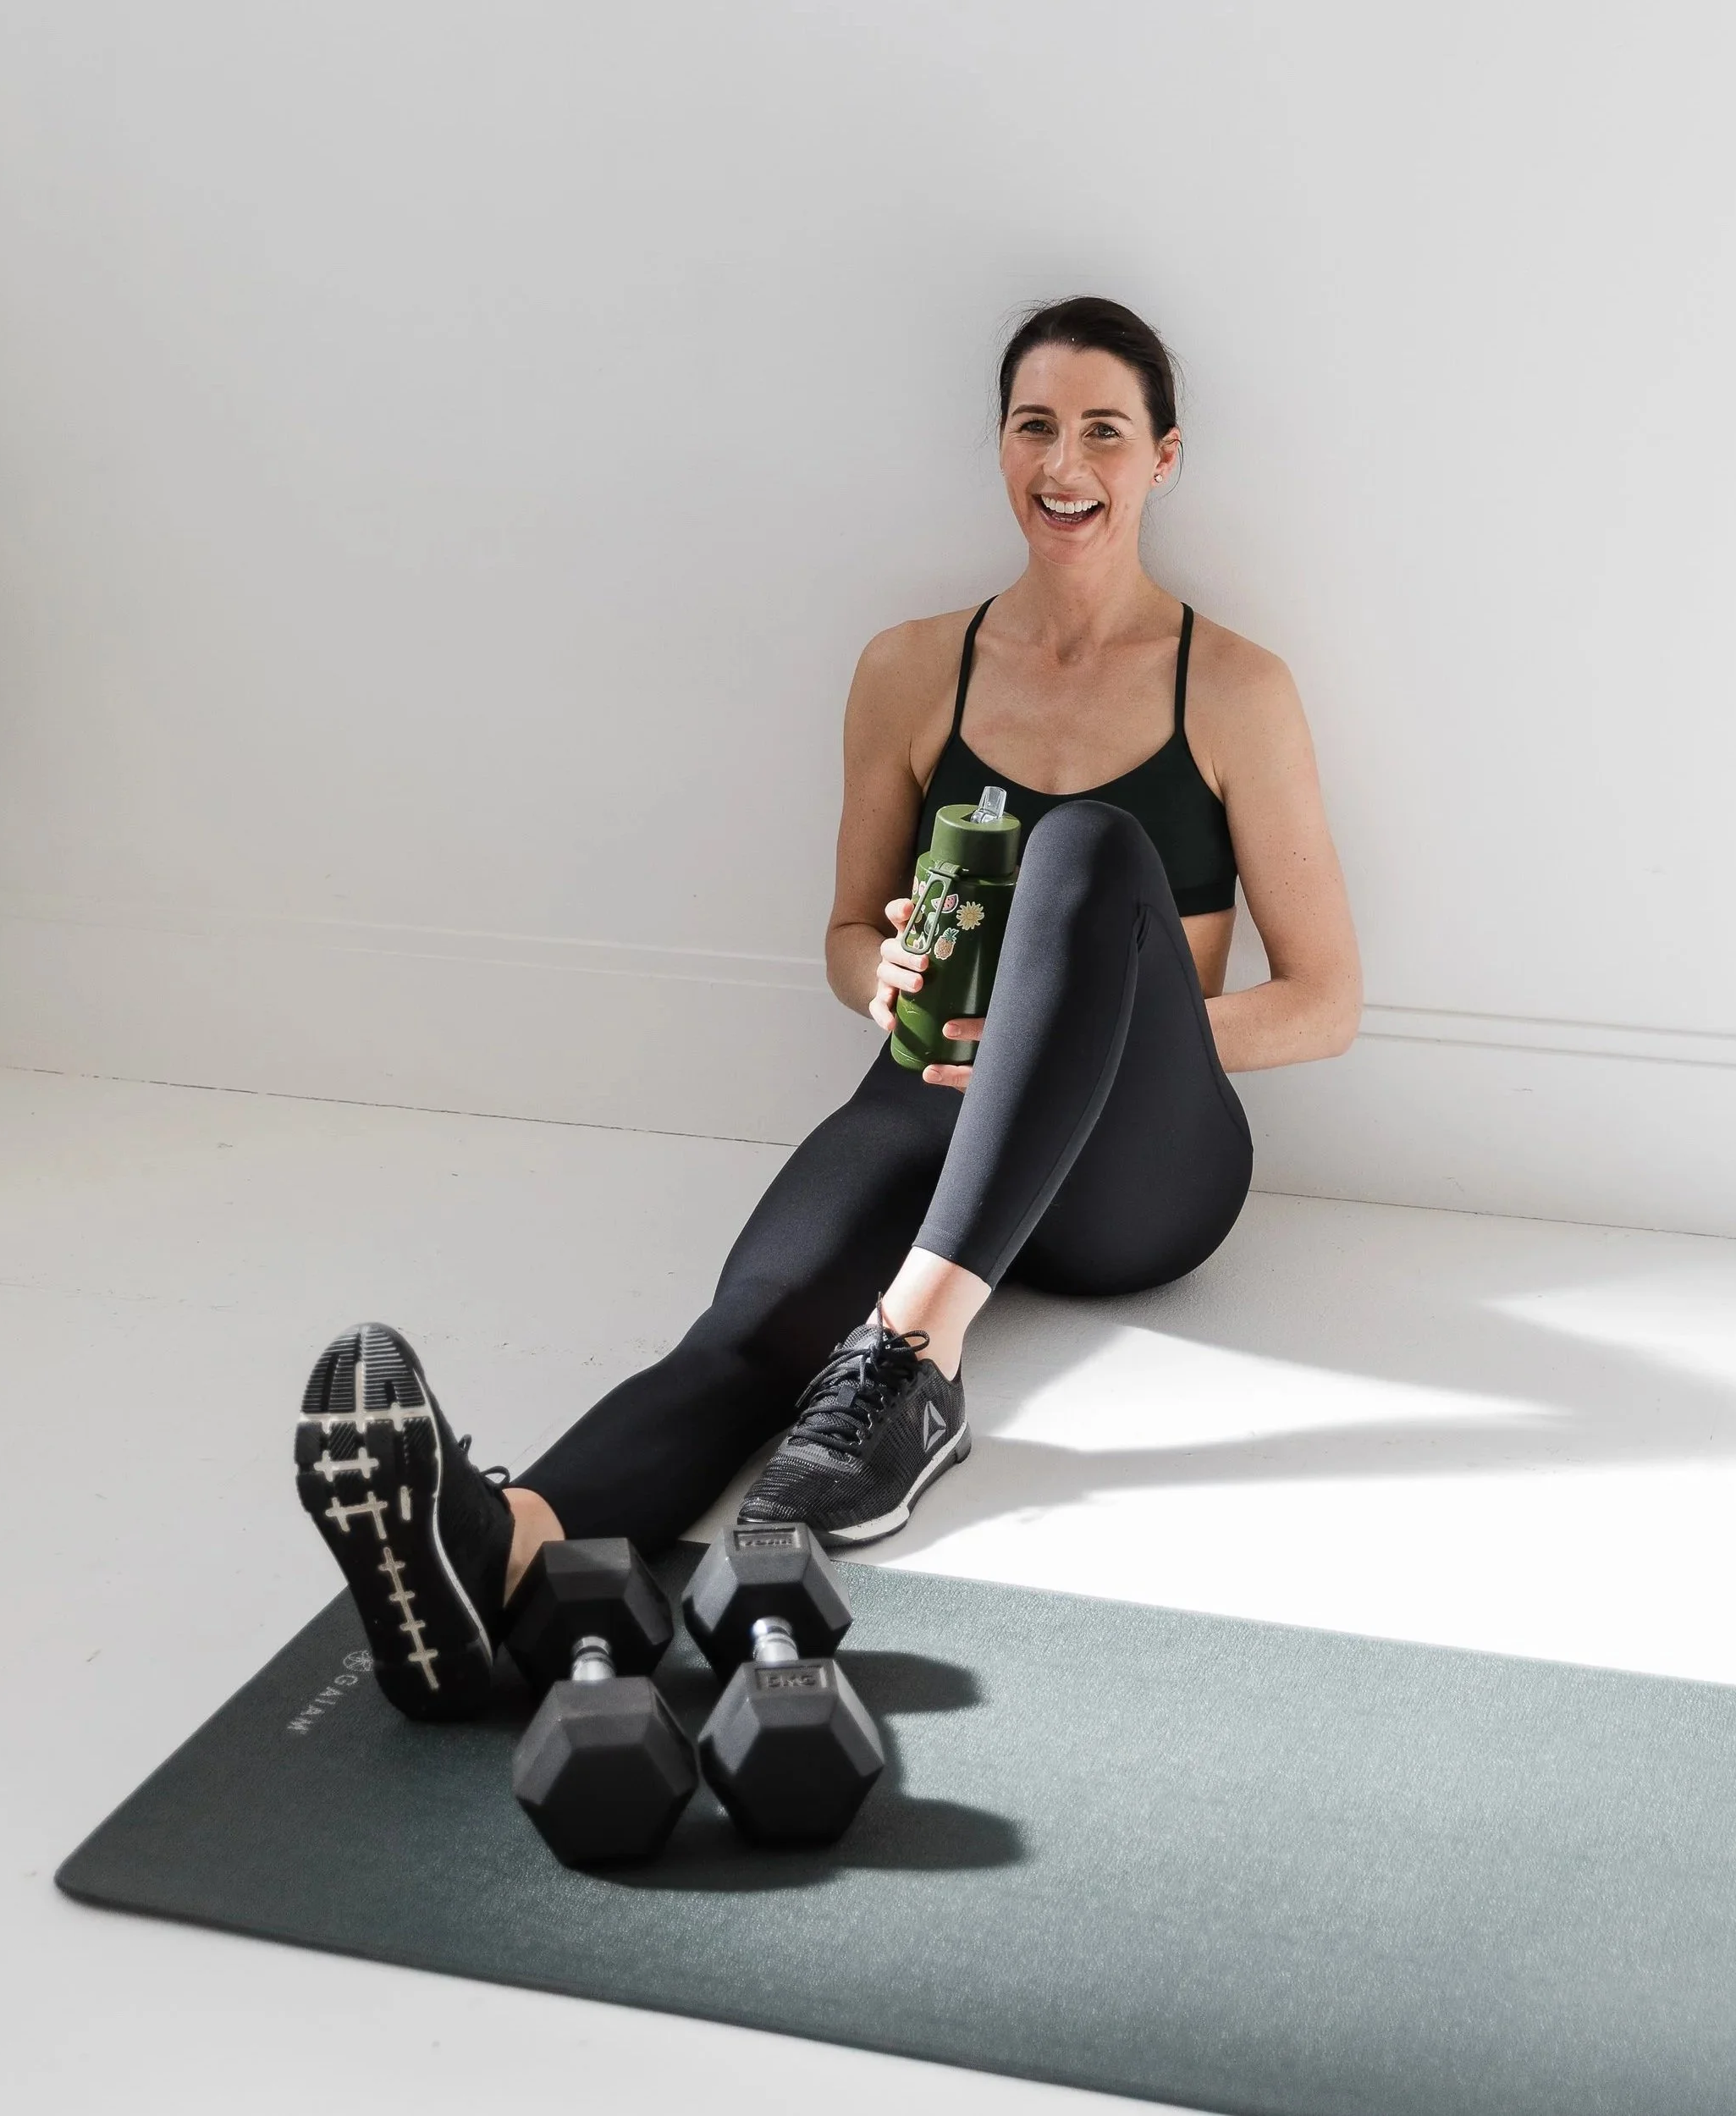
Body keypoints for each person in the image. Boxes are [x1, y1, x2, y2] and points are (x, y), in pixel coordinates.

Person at [295, 298, 1363, 1720]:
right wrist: (893, 984)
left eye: (1104, 429)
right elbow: (850, 937)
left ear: (1163, 459)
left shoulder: (1232, 688)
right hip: (927, 1104)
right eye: (1035, 424)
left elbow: (1327, 1002)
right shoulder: (912, 669)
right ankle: (499, 1553)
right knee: (745, 1335)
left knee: (1089, 847)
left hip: (1139, 1165)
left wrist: (1086, 1027)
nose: (1066, 459)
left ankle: (915, 1360)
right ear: (1001, 446)